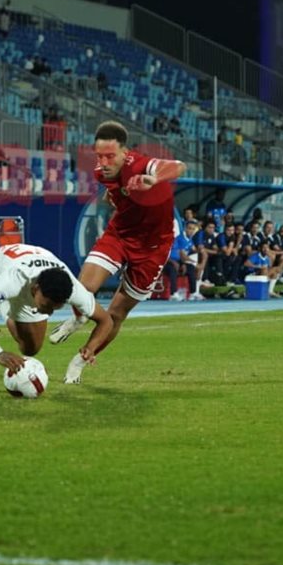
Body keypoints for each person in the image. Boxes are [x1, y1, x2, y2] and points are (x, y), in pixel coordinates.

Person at [48, 121, 186, 384]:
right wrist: (116, 198)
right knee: (83, 287)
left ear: (125, 152)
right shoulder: (102, 172)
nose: (103, 162)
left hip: (153, 248)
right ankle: (78, 318)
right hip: (120, 234)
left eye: (110, 155)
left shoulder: (141, 165)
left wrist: (154, 179)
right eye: (99, 156)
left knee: (116, 315)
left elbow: (178, 166)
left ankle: (80, 360)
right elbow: (114, 193)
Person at [0, 243, 114, 392]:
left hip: (35, 264)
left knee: (31, 348)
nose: (49, 313)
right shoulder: (13, 280)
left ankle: (6, 306)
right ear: (35, 290)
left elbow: (106, 321)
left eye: (55, 309)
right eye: (46, 307)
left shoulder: (73, 289)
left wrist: (90, 348)